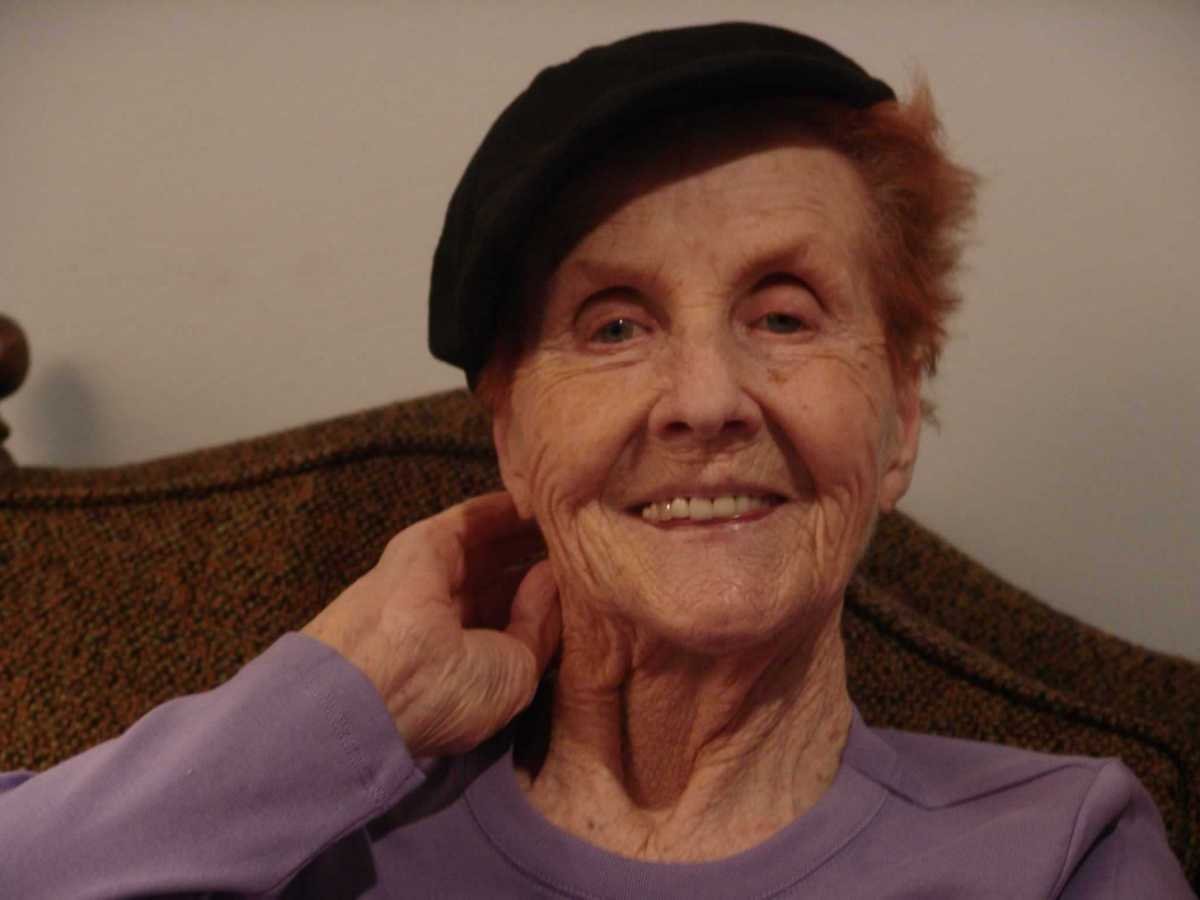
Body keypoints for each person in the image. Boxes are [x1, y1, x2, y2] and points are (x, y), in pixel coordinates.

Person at [0, 21, 1193, 899]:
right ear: (513, 439)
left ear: (901, 416)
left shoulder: (1061, 852)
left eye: (784, 314)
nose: (707, 400)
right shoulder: (307, 839)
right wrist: (344, 702)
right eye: (615, 326)